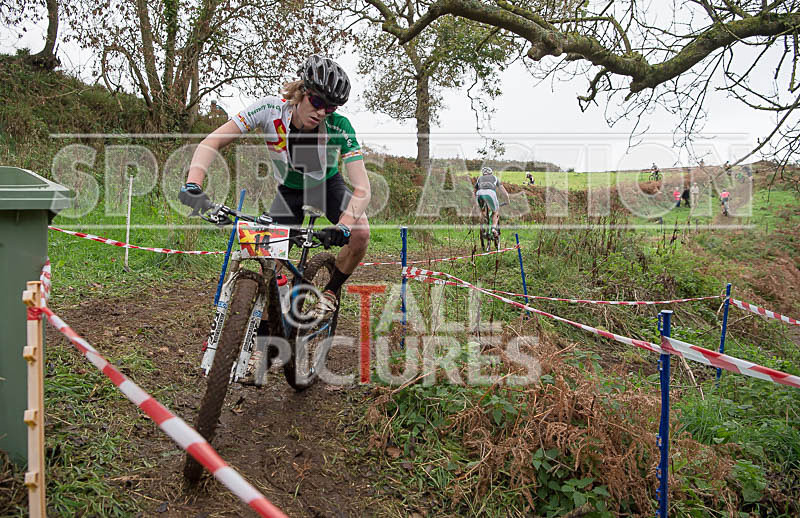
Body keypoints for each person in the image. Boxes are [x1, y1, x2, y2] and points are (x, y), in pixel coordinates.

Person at [178, 55, 370, 323]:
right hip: (290, 190)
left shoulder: (340, 127)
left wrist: (344, 226)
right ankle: (262, 330)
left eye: (331, 107)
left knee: (361, 234)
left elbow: (362, 188)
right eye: (317, 102)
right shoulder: (269, 109)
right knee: (271, 264)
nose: (322, 112)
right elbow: (212, 142)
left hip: (326, 186)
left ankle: (330, 292)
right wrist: (193, 185)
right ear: (302, 91)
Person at [474, 167, 510, 237]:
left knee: (482, 211)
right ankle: (493, 229)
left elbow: (474, 191)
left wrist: (475, 201)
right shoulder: (495, 178)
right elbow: (504, 192)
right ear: (491, 173)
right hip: (490, 193)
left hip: (479, 193)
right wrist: (507, 200)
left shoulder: (479, 179)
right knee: (495, 212)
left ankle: (482, 225)